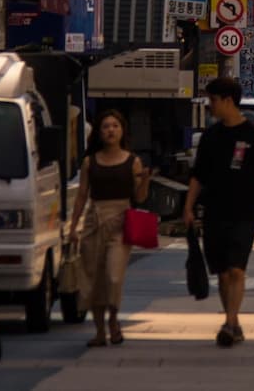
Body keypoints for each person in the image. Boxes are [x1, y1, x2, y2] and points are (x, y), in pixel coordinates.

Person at [184, 77, 254, 347]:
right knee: (221, 271)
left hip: (245, 211)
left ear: (227, 100)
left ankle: (230, 322)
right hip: (214, 211)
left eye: (213, 101)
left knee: (236, 270)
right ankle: (233, 321)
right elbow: (198, 175)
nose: (210, 107)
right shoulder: (211, 136)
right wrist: (187, 206)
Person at [67, 109, 153, 347]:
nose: (110, 130)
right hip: (94, 222)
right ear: (99, 132)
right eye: (105, 126)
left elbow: (140, 198)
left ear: (122, 130)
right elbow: (81, 196)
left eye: (115, 125)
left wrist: (145, 179)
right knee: (93, 278)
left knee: (113, 276)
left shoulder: (132, 161)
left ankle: (114, 319)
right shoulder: (89, 162)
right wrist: (73, 227)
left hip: (120, 223)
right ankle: (100, 331)